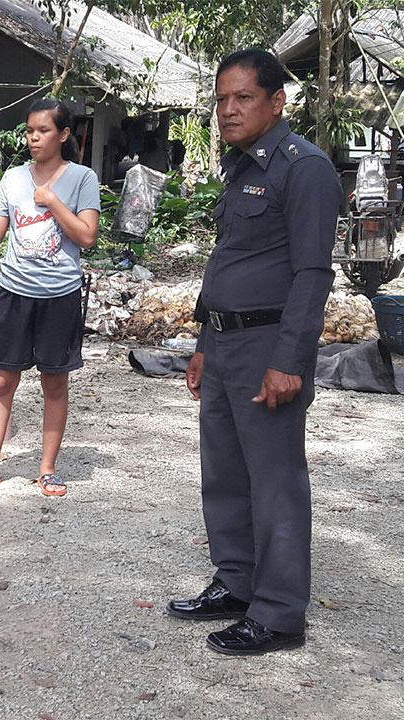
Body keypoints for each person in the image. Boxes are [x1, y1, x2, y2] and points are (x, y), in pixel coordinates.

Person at [167, 48, 340, 656]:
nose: (229, 110)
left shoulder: (305, 168)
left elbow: (313, 274)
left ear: (277, 101)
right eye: (221, 99)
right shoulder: (240, 167)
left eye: (243, 98)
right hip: (224, 343)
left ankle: (279, 613)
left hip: (269, 345)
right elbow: (229, 260)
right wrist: (203, 343)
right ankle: (237, 583)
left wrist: (289, 361)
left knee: (274, 481)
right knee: (225, 473)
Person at [0, 98, 100, 497]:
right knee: (1, 380)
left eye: (43, 131)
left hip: (60, 295)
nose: (33, 138)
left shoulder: (82, 178)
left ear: (64, 134)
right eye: (29, 131)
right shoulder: (13, 178)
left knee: (54, 383)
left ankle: (48, 469)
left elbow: (87, 237)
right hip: (15, 292)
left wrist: (53, 201)